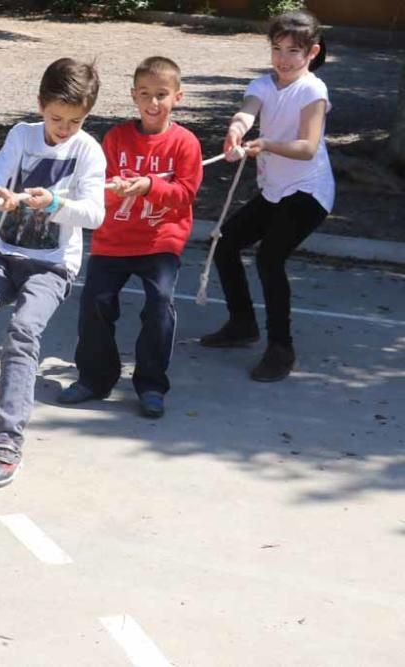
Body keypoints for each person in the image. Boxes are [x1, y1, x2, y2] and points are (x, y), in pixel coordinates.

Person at [0, 57, 106, 488]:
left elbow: (94, 213)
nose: (64, 128)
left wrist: (55, 205)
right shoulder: (20, 136)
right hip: (4, 253)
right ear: (40, 105)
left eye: (75, 121)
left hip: (53, 264)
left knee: (23, 330)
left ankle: (8, 439)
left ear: (86, 115)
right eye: (57, 118)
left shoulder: (88, 150)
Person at [57, 56, 203, 418]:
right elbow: (96, 189)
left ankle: (151, 383)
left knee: (160, 303)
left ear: (178, 97)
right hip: (114, 240)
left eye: (161, 94)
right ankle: (94, 378)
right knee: (95, 303)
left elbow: (185, 194)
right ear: (133, 96)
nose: (153, 103)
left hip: (160, 241)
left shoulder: (186, 143)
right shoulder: (116, 137)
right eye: (145, 94)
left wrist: (149, 186)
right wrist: (116, 190)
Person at [199, 10, 334, 382]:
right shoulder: (262, 85)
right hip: (275, 190)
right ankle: (243, 325)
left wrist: (268, 144)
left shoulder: (313, 90)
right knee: (224, 243)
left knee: (269, 259)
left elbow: (307, 147)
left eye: (294, 51)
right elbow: (247, 113)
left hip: (309, 191)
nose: (283, 59)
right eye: (277, 48)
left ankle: (281, 348)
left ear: (312, 52)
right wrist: (235, 133)